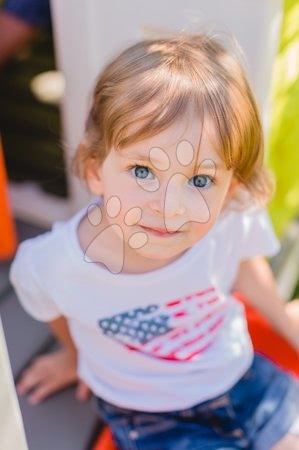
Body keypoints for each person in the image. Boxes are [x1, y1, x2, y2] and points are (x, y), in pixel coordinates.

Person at [10, 33, 299, 449]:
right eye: (143, 170)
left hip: (240, 377)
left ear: (230, 187)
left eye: (201, 180)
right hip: (148, 412)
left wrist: (288, 324)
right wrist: (76, 356)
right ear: (95, 171)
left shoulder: (228, 219)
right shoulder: (55, 264)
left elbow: (246, 266)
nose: (171, 207)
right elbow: (51, 302)